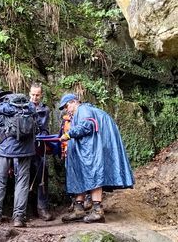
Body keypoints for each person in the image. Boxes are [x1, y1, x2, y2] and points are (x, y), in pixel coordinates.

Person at [58, 93, 134, 223]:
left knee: (93, 174)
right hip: (89, 148)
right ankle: (79, 209)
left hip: (92, 149)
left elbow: (86, 126)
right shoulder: (85, 111)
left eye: (66, 106)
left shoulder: (83, 110)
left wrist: (68, 134)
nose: (66, 109)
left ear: (73, 102)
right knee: (80, 174)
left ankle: (98, 211)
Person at [0, 90, 36, 228]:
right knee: (22, 183)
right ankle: (19, 218)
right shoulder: (28, 106)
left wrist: (1, 138)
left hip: (4, 149)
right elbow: (35, 127)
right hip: (26, 150)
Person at [29, 82, 53, 221]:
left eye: (37, 95)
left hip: (39, 147)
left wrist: (44, 135)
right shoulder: (23, 107)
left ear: (41, 95)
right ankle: (23, 210)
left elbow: (44, 128)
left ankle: (42, 208)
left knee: (42, 177)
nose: (34, 97)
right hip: (24, 147)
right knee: (23, 177)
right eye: (32, 94)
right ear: (29, 93)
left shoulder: (45, 110)